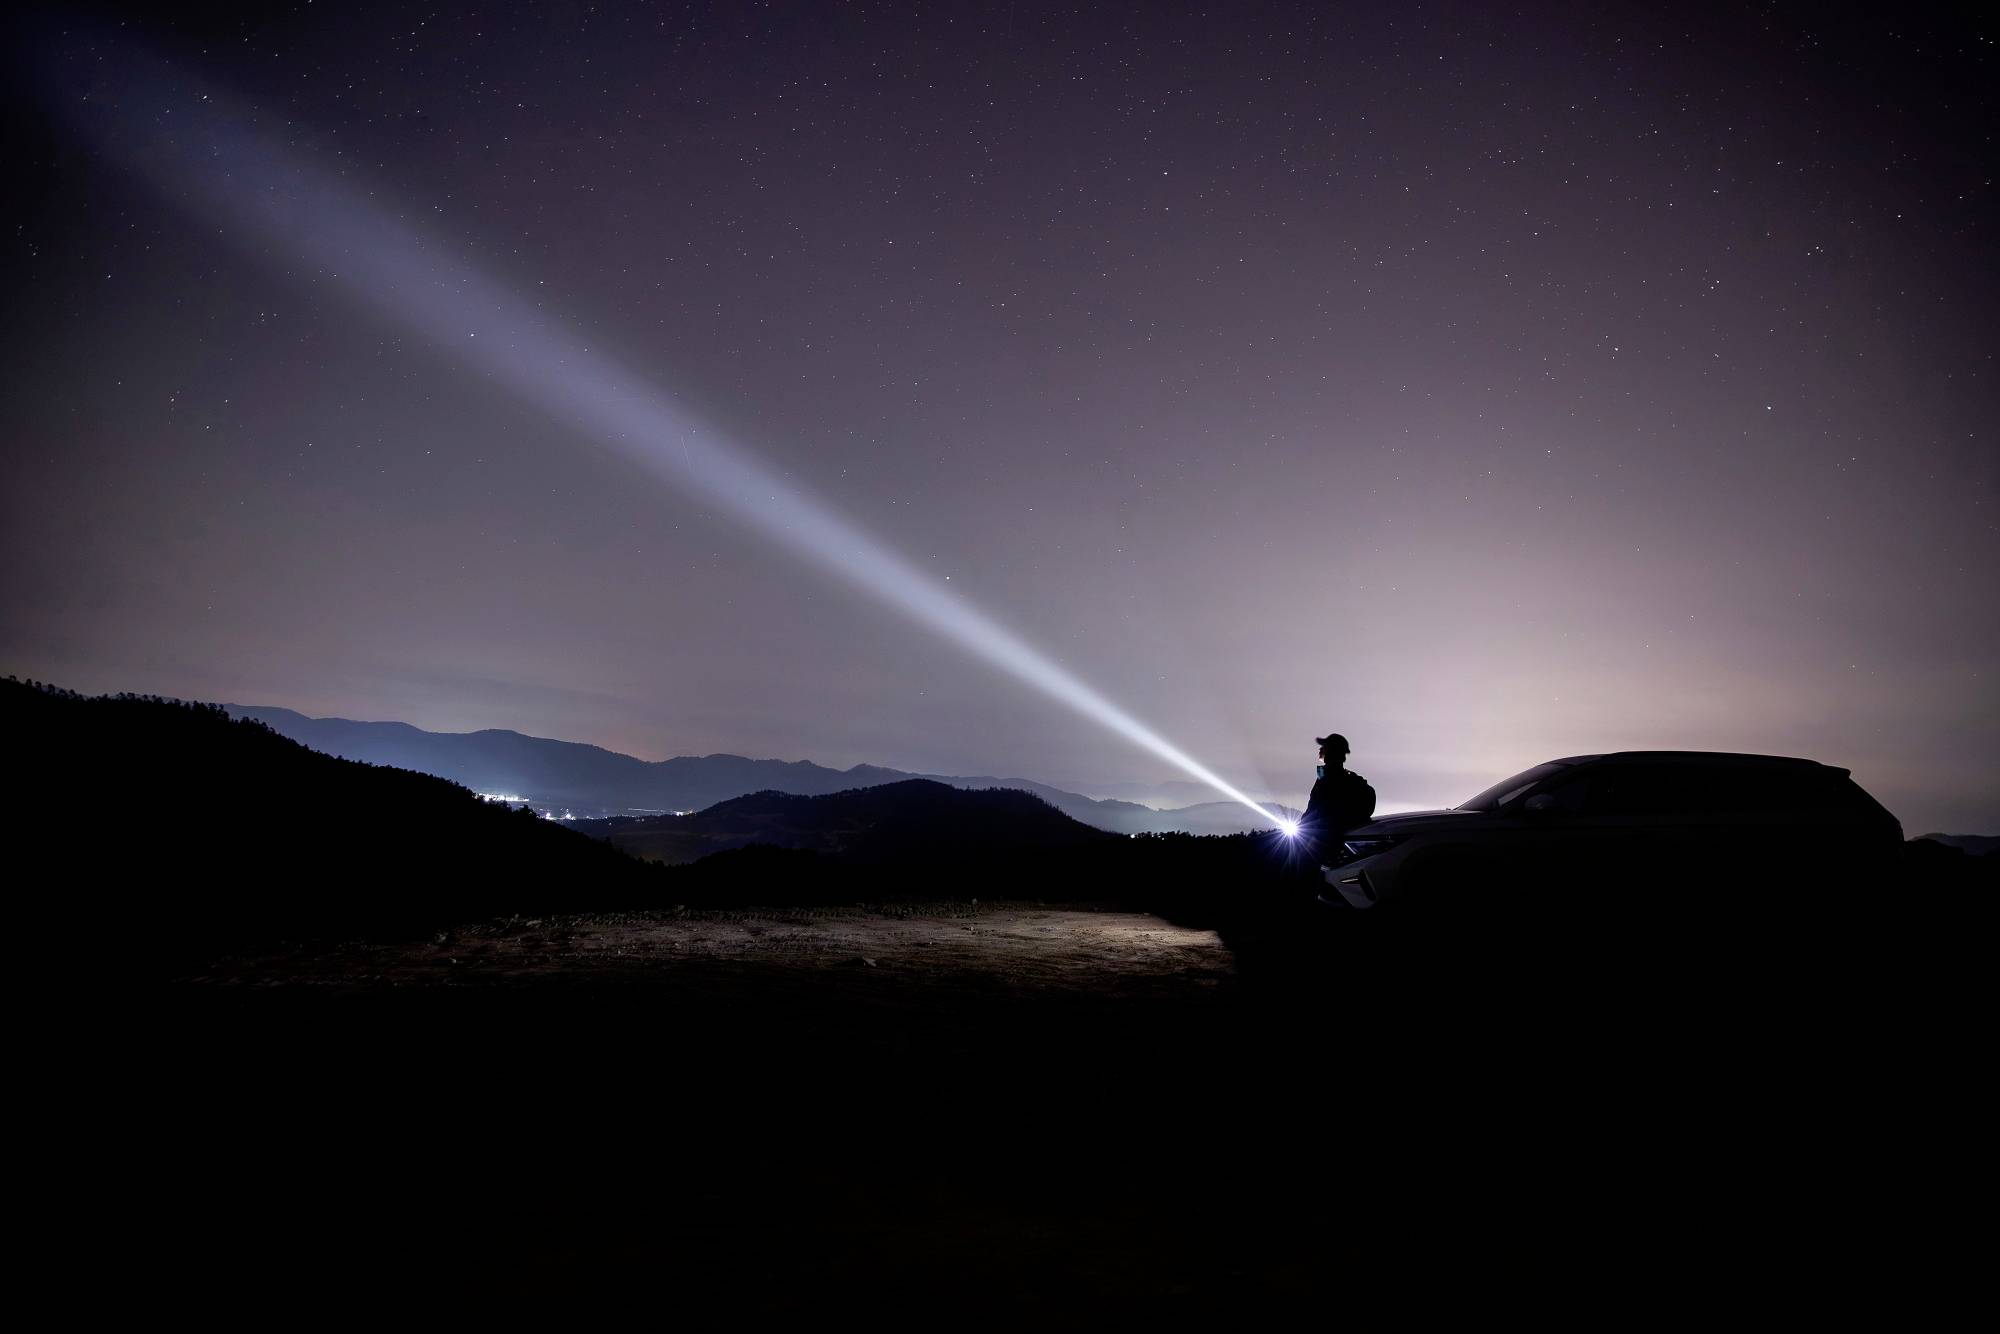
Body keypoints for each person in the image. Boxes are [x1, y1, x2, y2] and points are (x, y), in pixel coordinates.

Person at [1299, 732, 1375, 863]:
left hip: (1324, 845)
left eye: (1324, 747)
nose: (1320, 750)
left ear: (1330, 751)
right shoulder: (1345, 778)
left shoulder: (1329, 780)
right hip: (1335, 843)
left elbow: (1314, 812)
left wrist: (1301, 836)